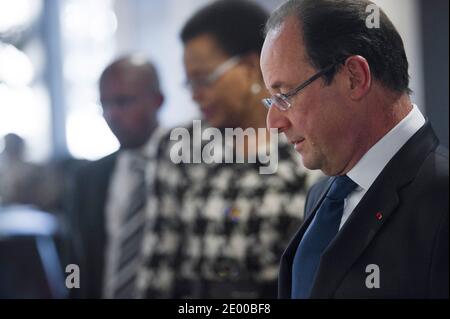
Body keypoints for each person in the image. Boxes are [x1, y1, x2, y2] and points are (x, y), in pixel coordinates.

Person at [260, 0, 449, 299]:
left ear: (354, 77)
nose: (274, 122)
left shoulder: (440, 198)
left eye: (285, 96)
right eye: (271, 101)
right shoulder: (322, 197)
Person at [137, 0, 320, 299]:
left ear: (249, 67)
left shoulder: (302, 143)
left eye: (203, 79)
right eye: (189, 82)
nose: (195, 94)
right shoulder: (179, 145)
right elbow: (158, 263)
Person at [68, 55, 164, 299]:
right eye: (105, 105)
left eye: (123, 102)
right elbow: (76, 260)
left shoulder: (189, 168)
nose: (112, 114)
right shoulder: (88, 178)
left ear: (157, 100)